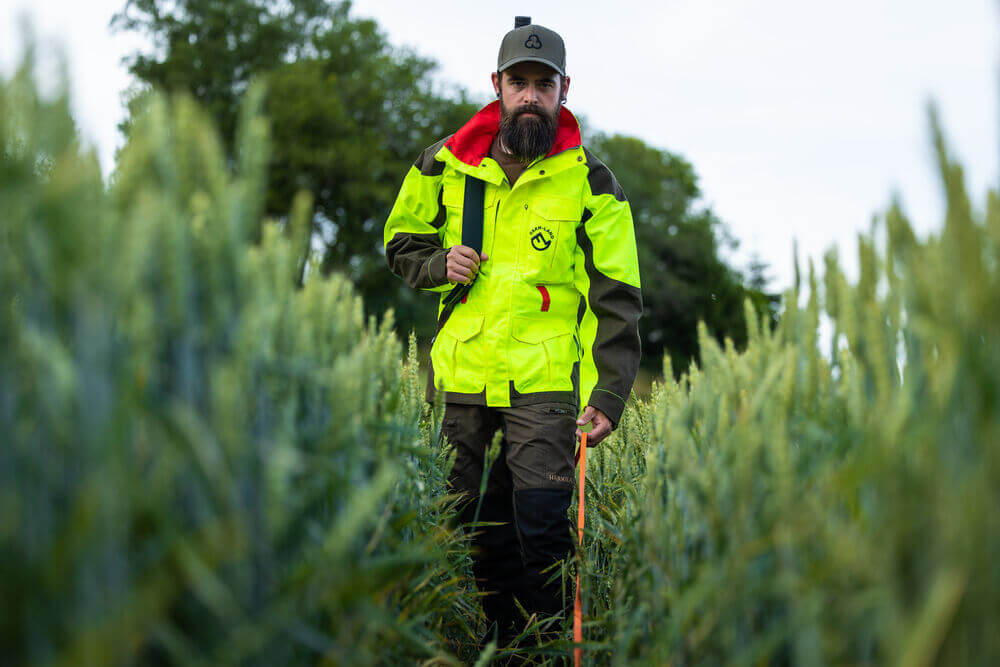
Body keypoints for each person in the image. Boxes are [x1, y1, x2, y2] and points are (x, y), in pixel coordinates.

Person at [383, 17, 642, 651]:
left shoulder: (595, 183)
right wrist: (437, 265)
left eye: (543, 84)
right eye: (519, 82)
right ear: (497, 84)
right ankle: (502, 646)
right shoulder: (443, 164)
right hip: (466, 376)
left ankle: (548, 646)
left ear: (563, 90)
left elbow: (618, 296)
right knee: (472, 524)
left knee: (545, 528)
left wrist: (608, 394)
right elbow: (400, 241)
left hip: (546, 382)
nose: (531, 96)